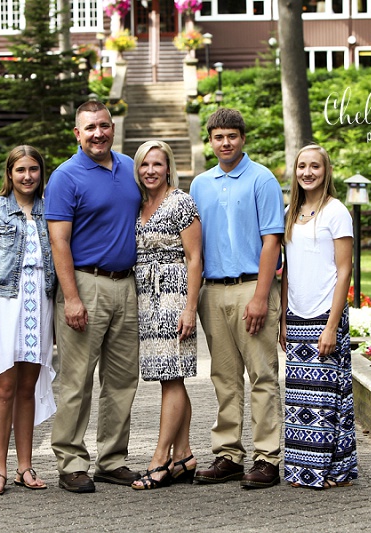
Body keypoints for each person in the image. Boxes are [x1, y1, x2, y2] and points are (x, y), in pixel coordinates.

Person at [45, 100, 143, 494]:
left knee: (122, 380)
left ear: (112, 128)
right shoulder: (65, 177)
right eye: (90, 128)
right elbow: (59, 241)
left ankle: (112, 459)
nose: (98, 133)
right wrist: (71, 298)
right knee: (76, 380)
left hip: (126, 285)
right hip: (84, 284)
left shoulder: (129, 168)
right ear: (78, 133)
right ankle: (70, 461)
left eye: (104, 126)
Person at [189, 108, 285, 489]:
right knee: (224, 377)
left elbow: (271, 242)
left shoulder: (262, 179)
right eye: (218, 137)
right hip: (212, 292)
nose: (225, 142)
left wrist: (261, 297)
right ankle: (228, 454)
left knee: (262, 375)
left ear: (243, 138)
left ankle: (267, 458)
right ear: (209, 141)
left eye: (232, 136)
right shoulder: (199, 184)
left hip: (252, 287)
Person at [0, 145, 57, 496]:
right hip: (3, 305)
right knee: (3, 387)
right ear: (10, 173)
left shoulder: (50, 210)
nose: (27, 176)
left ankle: (25, 467)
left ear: (41, 172)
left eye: (33, 169)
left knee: (27, 388)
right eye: (20, 170)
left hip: (39, 305)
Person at [279, 144, 359, 489]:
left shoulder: (336, 212)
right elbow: (287, 271)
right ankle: (301, 470)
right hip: (297, 316)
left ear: (326, 172)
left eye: (315, 167)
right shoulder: (290, 212)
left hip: (326, 316)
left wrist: (331, 325)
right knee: (300, 399)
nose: (308, 172)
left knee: (327, 398)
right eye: (302, 167)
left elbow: (345, 271)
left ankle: (329, 471)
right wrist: (283, 317)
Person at [129, 140, 203, 490]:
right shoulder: (140, 205)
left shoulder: (181, 201)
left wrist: (190, 307)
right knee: (169, 378)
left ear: (168, 167)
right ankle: (184, 455)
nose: (150, 171)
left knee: (172, 377)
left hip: (174, 297)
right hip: (147, 300)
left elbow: (194, 258)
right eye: (144, 165)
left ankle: (159, 459)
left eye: (157, 164)